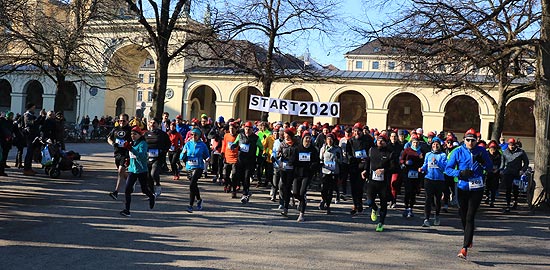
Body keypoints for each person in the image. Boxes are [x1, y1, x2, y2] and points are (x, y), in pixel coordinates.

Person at [445, 129, 493, 260]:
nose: (470, 143)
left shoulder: (482, 151)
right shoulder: (458, 151)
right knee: (463, 215)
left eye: (473, 140)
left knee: (470, 216)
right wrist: (460, 173)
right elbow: (447, 169)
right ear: (464, 140)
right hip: (462, 187)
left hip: (477, 188)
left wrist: (483, 162)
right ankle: (469, 236)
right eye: (468, 140)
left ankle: (464, 247)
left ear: (476, 140)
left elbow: (490, 167)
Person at [119, 126, 155, 217]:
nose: (132, 136)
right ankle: (127, 210)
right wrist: (128, 160)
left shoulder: (143, 144)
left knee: (144, 189)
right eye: (131, 134)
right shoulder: (132, 143)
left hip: (142, 170)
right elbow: (132, 155)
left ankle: (151, 196)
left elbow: (141, 156)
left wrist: (131, 149)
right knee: (127, 190)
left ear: (140, 135)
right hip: (132, 170)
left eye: (135, 134)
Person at [364, 135, 392, 232]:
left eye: (382, 141)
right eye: (378, 140)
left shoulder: (389, 153)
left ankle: (381, 222)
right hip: (372, 181)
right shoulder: (372, 150)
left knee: (383, 203)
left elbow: (394, 168)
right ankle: (374, 208)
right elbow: (368, 162)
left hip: (384, 183)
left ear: (385, 142)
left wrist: (384, 170)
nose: (380, 142)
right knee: (369, 201)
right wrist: (364, 171)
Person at [230, 121, 263, 203]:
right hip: (240, 159)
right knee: (235, 175)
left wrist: (259, 156)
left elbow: (261, 147)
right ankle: (234, 189)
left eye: (249, 129)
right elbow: (235, 143)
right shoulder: (240, 136)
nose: (247, 131)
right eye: (246, 129)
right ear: (244, 129)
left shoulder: (256, 138)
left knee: (246, 177)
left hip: (250, 161)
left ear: (252, 130)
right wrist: (233, 146)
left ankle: (245, 192)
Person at [346, 122, 374, 215]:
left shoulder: (368, 140)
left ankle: (360, 203)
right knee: (353, 187)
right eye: (355, 131)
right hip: (354, 166)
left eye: (358, 131)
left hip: (364, 166)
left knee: (360, 186)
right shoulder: (350, 141)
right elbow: (348, 153)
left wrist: (367, 161)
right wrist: (352, 158)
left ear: (362, 131)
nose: (356, 133)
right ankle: (355, 204)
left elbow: (371, 152)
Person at [180, 128, 210, 213]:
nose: (193, 136)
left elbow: (207, 155)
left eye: (195, 135)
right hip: (189, 167)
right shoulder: (188, 144)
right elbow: (181, 157)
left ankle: (190, 205)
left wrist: (208, 159)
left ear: (199, 135)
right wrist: (184, 153)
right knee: (194, 185)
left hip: (199, 167)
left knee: (192, 184)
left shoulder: (203, 145)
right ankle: (199, 199)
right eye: (192, 134)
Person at [419, 137, 447, 227]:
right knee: (428, 199)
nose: (435, 146)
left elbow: (444, 168)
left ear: (440, 145)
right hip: (428, 179)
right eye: (433, 144)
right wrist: (422, 169)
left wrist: (437, 163)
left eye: (437, 144)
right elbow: (425, 165)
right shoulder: (428, 154)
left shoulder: (443, 155)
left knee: (437, 200)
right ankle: (426, 219)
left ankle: (437, 216)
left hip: (439, 180)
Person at [292, 131, 319, 222]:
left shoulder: (313, 150)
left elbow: (316, 161)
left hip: (307, 174)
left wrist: (312, 166)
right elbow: (292, 160)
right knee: (296, 193)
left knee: (302, 192)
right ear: (302, 138)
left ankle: (301, 214)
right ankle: (301, 200)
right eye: (306, 138)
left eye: (309, 138)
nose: (308, 140)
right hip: (297, 174)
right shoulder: (297, 149)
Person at [107, 114, 132, 200]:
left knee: (120, 170)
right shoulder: (115, 129)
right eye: (120, 120)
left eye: (123, 121)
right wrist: (112, 143)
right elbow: (109, 138)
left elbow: (136, 140)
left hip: (126, 154)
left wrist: (129, 145)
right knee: (122, 172)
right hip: (117, 153)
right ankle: (131, 182)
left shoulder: (130, 130)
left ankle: (116, 192)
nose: (121, 122)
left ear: (127, 121)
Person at [500, 137, 529, 212]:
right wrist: (501, 170)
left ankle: (515, 201)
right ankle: (508, 205)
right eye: (510, 144)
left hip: (517, 173)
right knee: (508, 189)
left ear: (515, 145)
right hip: (508, 173)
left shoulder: (521, 152)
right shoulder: (504, 152)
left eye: (512, 145)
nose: (511, 146)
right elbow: (502, 164)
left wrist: (522, 170)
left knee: (515, 189)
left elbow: (526, 163)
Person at [144, 118, 171, 197]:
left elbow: (168, 144)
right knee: (148, 176)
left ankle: (158, 185)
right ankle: (151, 193)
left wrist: (163, 151)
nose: (152, 124)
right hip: (148, 157)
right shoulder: (146, 134)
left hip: (158, 158)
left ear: (158, 124)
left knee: (154, 173)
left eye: (154, 123)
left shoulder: (162, 134)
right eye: (151, 123)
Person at [400, 135, 424, 218]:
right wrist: (405, 162)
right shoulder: (407, 150)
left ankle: (411, 208)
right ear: (411, 143)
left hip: (417, 173)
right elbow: (401, 159)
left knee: (414, 191)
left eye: (417, 142)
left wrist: (421, 159)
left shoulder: (421, 151)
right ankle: (406, 207)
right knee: (408, 191)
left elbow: (423, 162)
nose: (415, 144)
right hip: (408, 172)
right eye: (414, 142)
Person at [319, 133, 342, 215]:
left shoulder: (337, 149)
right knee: (323, 189)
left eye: (331, 139)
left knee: (330, 190)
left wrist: (337, 159)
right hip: (325, 171)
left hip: (334, 171)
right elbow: (320, 159)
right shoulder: (323, 148)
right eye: (328, 139)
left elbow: (341, 160)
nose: (329, 140)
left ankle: (328, 205)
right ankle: (323, 199)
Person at [277, 127, 297, 217]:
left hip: (292, 168)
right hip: (283, 168)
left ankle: (286, 207)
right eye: (284, 135)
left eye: (287, 135)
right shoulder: (282, 144)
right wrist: (278, 155)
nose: (285, 137)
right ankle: (287, 200)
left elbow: (298, 155)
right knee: (283, 186)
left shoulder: (296, 145)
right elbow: (278, 152)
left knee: (288, 187)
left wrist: (293, 161)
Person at [22, 103, 41, 175]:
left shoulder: (32, 115)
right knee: (29, 153)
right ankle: (26, 169)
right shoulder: (27, 115)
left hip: (33, 135)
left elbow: (37, 123)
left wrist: (42, 117)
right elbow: (31, 123)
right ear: (30, 108)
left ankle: (29, 168)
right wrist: (39, 117)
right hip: (30, 136)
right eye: (33, 107)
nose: (34, 109)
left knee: (31, 153)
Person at [485, 140, 502, 207]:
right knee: (487, 186)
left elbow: (501, 163)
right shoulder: (486, 154)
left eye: (494, 148)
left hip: (496, 173)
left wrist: (498, 170)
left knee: (494, 188)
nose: (492, 150)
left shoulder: (499, 155)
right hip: (488, 172)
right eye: (491, 149)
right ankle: (487, 196)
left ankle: (492, 201)